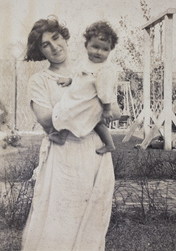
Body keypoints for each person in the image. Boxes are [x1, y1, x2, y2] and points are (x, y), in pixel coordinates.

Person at [21, 17, 115, 251]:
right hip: (63, 155)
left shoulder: (92, 67)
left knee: (91, 220)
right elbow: (45, 119)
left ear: (64, 37)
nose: (54, 46)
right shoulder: (39, 80)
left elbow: (113, 110)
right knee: (58, 220)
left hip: (94, 152)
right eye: (45, 44)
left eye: (56, 38)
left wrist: (97, 108)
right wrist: (89, 109)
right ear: (40, 51)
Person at [51, 21, 121, 155]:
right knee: (65, 110)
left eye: (105, 49)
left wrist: (106, 110)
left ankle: (109, 144)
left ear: (110, 49)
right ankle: (62, 136)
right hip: (79, 96)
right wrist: (69, 80)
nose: (99, 52)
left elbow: (105, 92)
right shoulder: (84, 61)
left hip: (92, 101)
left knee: (95, 122)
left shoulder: (104, 69)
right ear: (86, 45)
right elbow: (78, 73)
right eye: (95, 47)